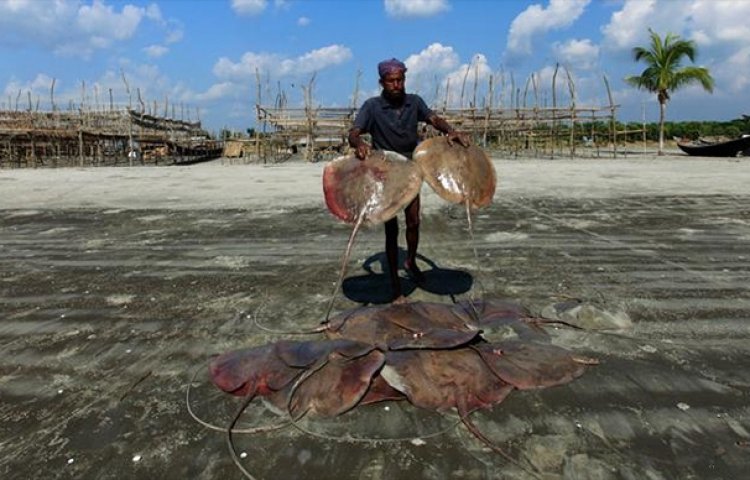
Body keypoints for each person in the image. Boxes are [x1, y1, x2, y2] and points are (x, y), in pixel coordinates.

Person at [348, 57, 469, 302]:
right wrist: (359, 143)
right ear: (382, 82)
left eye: (400, 79)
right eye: (391, 81)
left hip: (412, 168)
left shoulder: (414, 102)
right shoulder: (372, 107)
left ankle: (411, 261)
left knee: (413, 221)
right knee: (391, 229)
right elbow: (354, 132)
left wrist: (450, 130)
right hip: (387, 172)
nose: (397, 85)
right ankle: (394, 282)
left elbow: (433, 118)